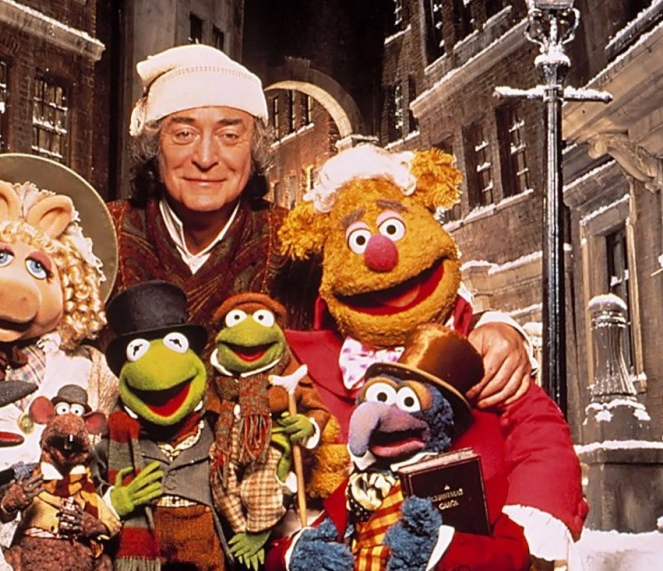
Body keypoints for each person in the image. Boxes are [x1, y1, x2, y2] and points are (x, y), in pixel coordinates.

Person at [107, 43, 530, 406]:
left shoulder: (299, 243)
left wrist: (496, 327)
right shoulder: (100, 233)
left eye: (229, 135)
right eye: (183, 134)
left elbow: (411, 294)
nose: (205, 157)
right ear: (154, 144)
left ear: (255, 148)